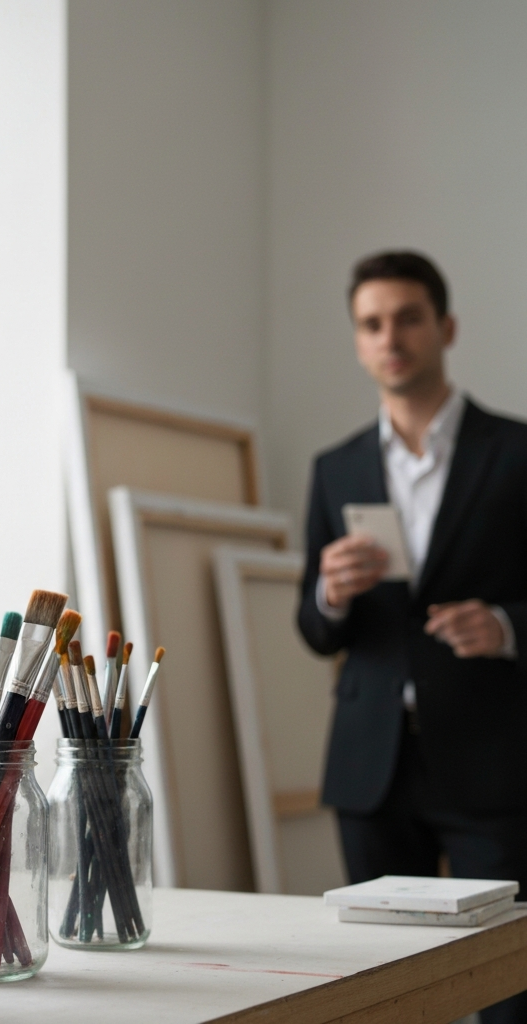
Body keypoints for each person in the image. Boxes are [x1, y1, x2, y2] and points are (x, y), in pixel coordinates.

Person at [298, 251, 527, 1023]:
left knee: (510, 983)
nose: (389, 336)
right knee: (379, 987)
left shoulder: (519, 453)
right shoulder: (335, 468)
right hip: (371, 766)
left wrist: (504, 626)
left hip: (494, 760)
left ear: (445, 327)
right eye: (371, 323)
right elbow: (314, 629)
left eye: (406, 318)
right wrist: (328, 594)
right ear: (358, 342)